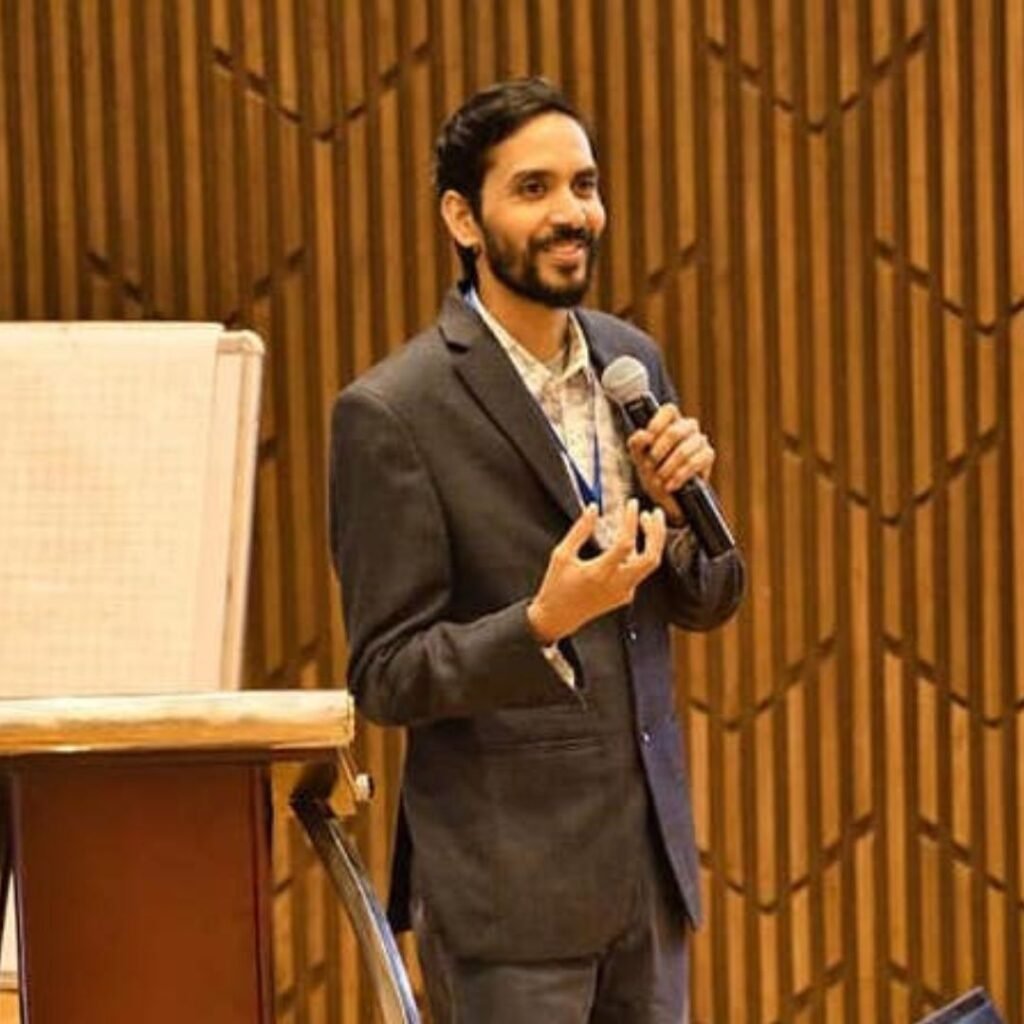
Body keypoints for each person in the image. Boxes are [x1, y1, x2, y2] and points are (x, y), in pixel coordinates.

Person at [329, 77, 744, 1024]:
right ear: (462, 219)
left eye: (584, 185)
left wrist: (686, 519)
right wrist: (542, 623)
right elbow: (386, 675)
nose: (571, 213)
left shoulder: (629, 364)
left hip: (648, 880)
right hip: (506, 900)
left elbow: (710, 596)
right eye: (534, 188)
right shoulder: (394, 411)